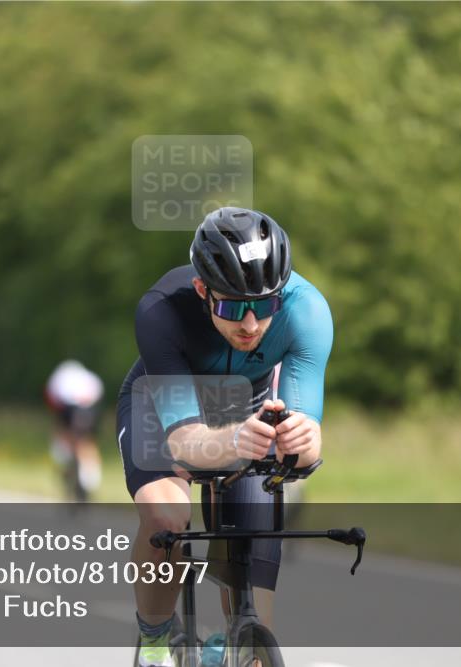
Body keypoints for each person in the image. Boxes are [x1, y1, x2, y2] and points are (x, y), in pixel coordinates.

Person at [116, 207, 334, 667]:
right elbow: (184, 442)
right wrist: (233, 441)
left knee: (255, 616)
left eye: (266, 306)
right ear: (202, 289)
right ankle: (155, 642)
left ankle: (231, 649)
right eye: (233, 307)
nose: (251, 326)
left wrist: (301, 440)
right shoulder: (161, 311)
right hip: (165, 412)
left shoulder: (308, 311)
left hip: (247, 409)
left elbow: (309, 441)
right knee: (166, 518)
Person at [44, 359, 104, 500]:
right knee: (87, 441)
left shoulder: (58, 378)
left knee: (65, 435)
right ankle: (90, 478)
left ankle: (66, 462)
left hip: (69, 406)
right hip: (91, 406)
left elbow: (53, 404)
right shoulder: (89, 378)